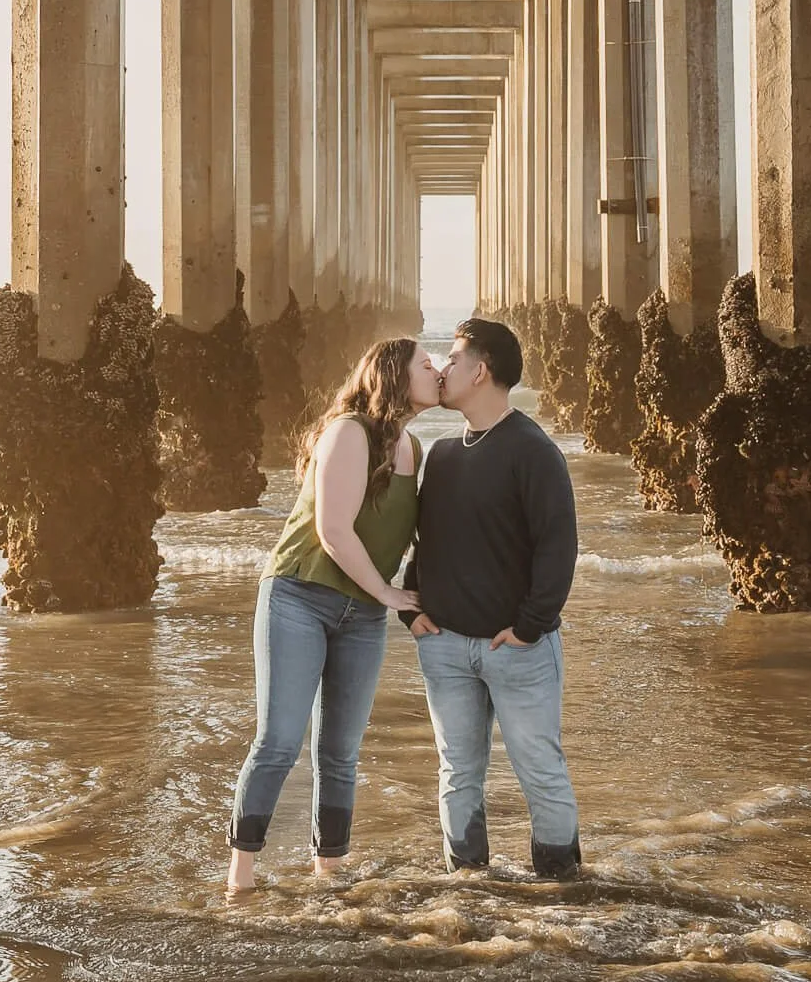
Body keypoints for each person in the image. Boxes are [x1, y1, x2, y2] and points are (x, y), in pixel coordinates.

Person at [224, 337, 442, 894]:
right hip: (299, 596)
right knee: (278, 740)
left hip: (362, 614)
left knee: (340, 752)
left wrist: (418, 600)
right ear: (394, 375)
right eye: (425, 363)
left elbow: (417, 538)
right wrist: (391, 595)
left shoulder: (414, 449)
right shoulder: (349, 430)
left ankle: (329, 873)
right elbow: (333, 532)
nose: (436, 370)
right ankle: (241, 876)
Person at [401, 317, 583, 878]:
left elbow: (559, 547)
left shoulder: (533, 451)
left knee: (539, 769)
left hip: (518, 649)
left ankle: (562, 887)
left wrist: (531, 626)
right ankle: (470, 887)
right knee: (457, 773)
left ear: (480, 371)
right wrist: (412, 604)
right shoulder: (443, 455)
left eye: (453, 359)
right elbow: (428, 540)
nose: (443, 367)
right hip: (446, 647)